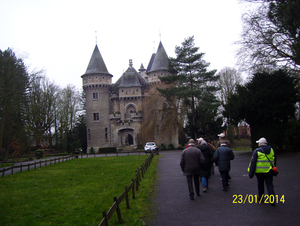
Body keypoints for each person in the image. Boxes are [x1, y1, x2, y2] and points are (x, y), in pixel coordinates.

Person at [248, 137, 276, 206]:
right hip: (269, 171)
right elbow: (274, 160)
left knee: (260, 185)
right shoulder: (271, 150)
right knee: (270, 185)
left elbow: (253, 163)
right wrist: (274, 169)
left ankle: (261, 197)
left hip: (259, 172)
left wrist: (251, 173)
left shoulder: (257, 151)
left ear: (260, 144)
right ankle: (272, 200)